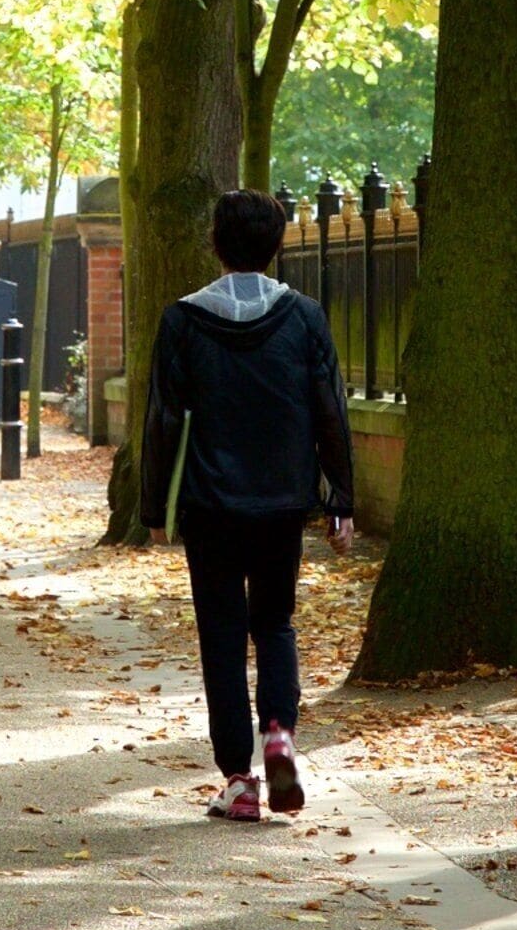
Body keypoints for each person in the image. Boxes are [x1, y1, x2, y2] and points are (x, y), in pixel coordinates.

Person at [137, 188, 355, 824]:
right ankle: (280, 733)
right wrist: (341, 497)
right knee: (276, 623)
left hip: (210, 504)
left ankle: (239, 778)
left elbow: (162, 418)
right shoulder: (306, 318)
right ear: (278, 244)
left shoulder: (182, 319)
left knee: (223, 637)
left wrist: (155, 507)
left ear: (215, 242)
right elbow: (330, 411)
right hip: (284, 499)